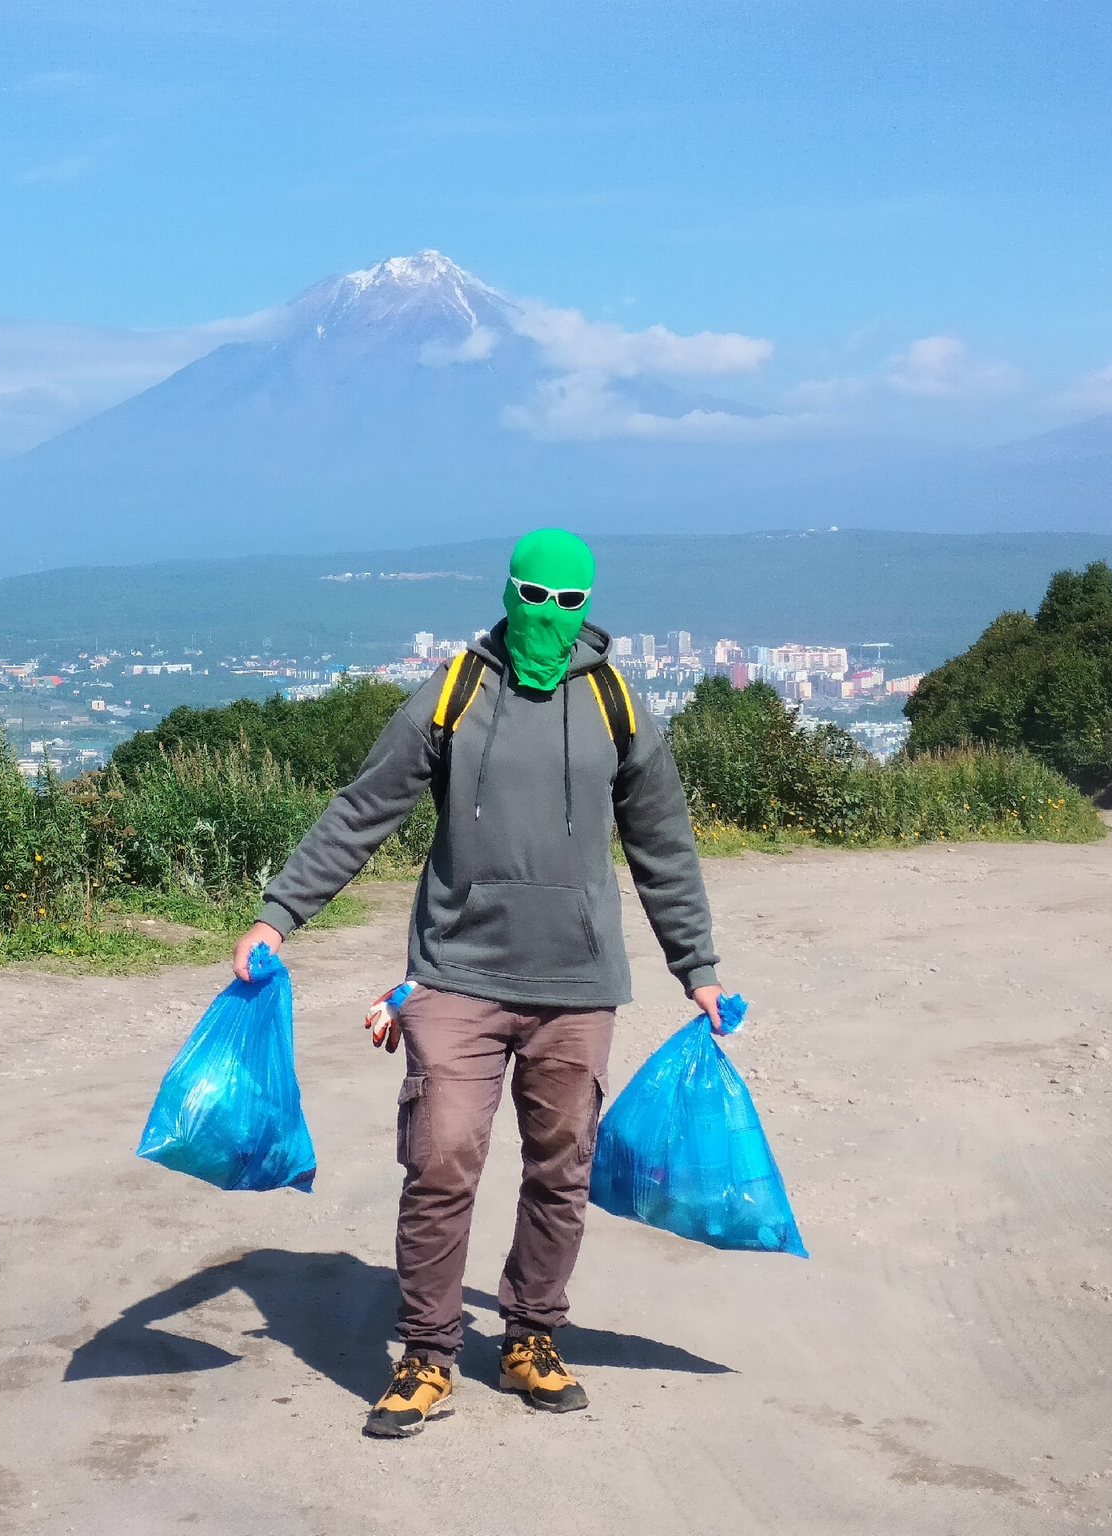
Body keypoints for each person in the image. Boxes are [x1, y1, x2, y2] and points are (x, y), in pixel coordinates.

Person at [231, 528, 727, 1439]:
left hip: (578, 984)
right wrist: (278, 913)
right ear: (507, 592)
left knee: (560, 1171)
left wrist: (696, 969)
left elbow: (665, 848)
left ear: (588, 606)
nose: (548, 615)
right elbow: (361, 809)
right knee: (441, 1158)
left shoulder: (617, 706)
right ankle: (426, 1354)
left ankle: (532, 1336)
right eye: (532, 595)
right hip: (455, 975)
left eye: (567, 601)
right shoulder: (453, 694)